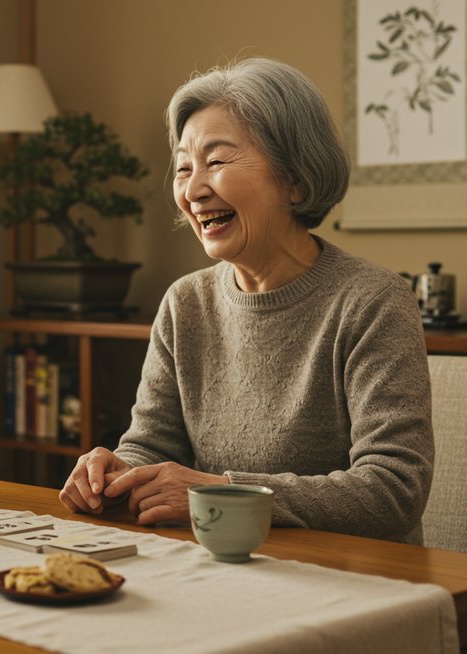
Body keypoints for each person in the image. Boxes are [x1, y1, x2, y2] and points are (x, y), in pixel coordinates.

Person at [58, 58, 433, 544]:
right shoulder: (185, 303)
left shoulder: (372, 301)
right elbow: (152, 446)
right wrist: (116, 475)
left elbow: (394, 490)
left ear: (296, 179)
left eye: (216, 162)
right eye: (184, 168)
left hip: (351, 573)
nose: (193, 190)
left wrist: (222, 492)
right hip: (223, 561)